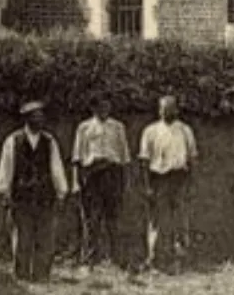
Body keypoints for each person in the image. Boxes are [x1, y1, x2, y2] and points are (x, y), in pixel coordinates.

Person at [0, 99, 68, 283]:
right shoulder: (13, 141)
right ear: (26, 119)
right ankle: (22, 274)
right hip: (22, 195)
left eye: (41, 116)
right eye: (35, 117)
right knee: (22, 236)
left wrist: (61, 192)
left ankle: (42, 274)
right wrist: (5, 192)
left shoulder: (49, 141)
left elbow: (56, 168)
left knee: (45, 236)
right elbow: (6, 167)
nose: (39, 120)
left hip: (44, 195)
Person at [137, 95, 197, 271]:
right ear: (158, 110)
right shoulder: (150, 131)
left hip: (179, 178)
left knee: (180, 219)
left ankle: (179, 259)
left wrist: (190, 183)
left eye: (170, 109)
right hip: (158, 178)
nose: (166, 112)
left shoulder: (185, 130)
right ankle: (154, 258)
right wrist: (147, 185)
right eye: (163, 109)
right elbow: (144, 161)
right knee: (156, 219)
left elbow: (192, 158)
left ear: (176, 110)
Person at [70, 95, 130, 267]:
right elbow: (77, 157)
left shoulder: (118, 127)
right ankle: (89, 261)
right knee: (91, 219)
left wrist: (125, 181)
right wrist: (75, 182)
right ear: (93, 109)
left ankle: (117, 260)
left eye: (107, 107)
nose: (104, 110)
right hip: (92, 175)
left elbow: (124, 156)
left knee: (114, 218)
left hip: (112, 174)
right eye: (100, 107)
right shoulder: (84, 128)